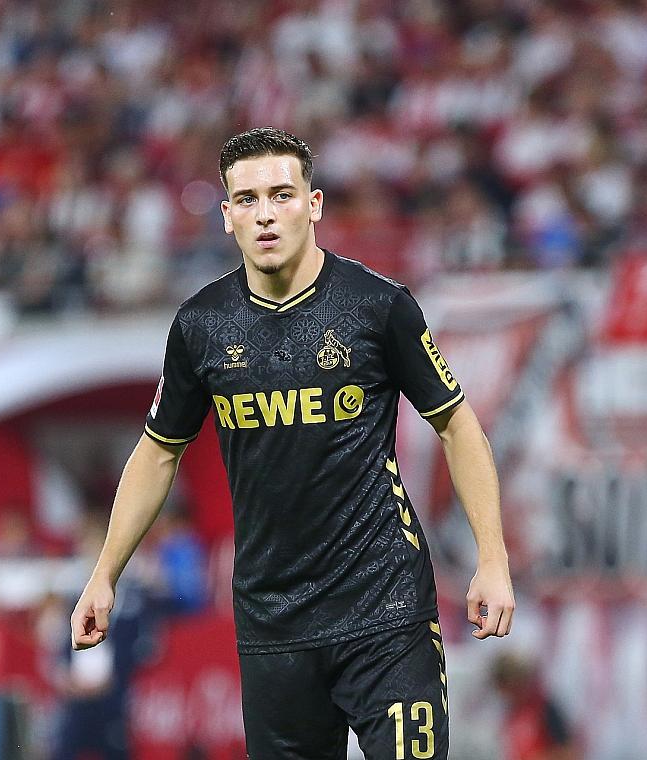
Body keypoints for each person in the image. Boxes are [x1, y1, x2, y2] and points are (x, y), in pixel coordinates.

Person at [71, 127, 515, 758]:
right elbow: (159, 450)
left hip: (385, 607)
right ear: (226, 216)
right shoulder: (201, 326)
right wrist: (104, 575)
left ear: (314, 204)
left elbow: (457, 423)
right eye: (247, 199)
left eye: (281, 194)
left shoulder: (377, 307)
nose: (265, 213)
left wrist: (492, 559)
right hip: (273, 621)